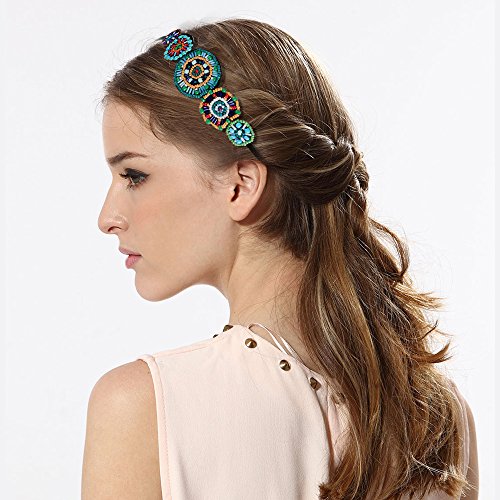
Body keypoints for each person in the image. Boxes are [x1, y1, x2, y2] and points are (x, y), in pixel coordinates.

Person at [81, 18, 478, 499]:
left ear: (241, 185)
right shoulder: (437, 414)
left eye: (133, 175)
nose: (107, 218)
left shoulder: (143, 406)